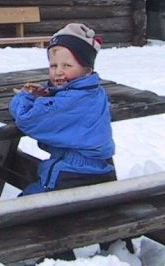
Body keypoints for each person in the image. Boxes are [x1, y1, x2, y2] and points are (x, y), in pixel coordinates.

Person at [9, 23, 116, 194]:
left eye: (67, 66)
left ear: (87, 69)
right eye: (53, 66)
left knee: (22, 210)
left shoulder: (69, 101)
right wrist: (50, 94)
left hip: (74, 175)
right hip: (97, 169)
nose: (58, 72)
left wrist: (24, 96)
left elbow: (26, 118)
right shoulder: (93, 91)